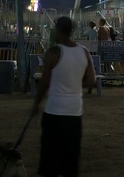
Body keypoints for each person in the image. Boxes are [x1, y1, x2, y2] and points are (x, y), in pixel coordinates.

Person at [34, 15, 97, 177]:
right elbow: (91, 80)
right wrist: (76, 84)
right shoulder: (84, 52)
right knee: (71, 160)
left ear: (57, 30)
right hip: (75, 112)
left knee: (50, 160)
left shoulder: (54, 52)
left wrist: (36, 103)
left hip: (54, 111)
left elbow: (44, 83)